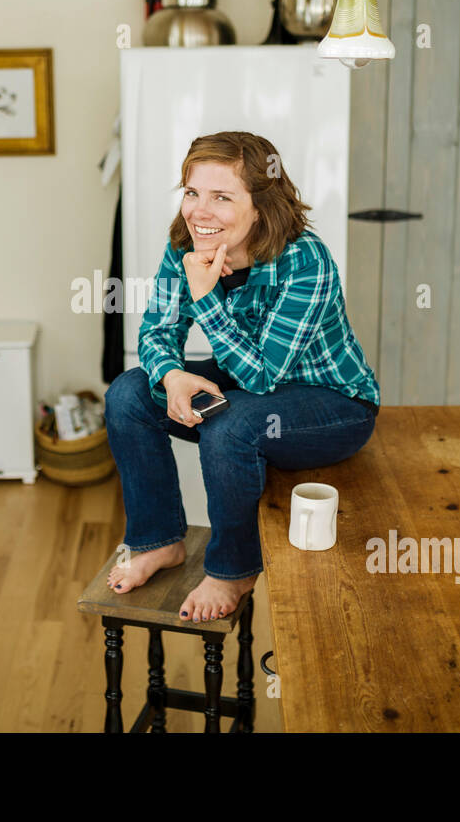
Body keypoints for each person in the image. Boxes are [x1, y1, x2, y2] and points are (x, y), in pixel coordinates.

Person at [104, 131, 379, 623]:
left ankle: (233, 568)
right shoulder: (186, 245)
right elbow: (157, 330)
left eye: (222, 197)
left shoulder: (304, 260)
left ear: (261, 204)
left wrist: (206, 296)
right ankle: (158, 540)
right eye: (192, 193)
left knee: (234, 424)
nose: (199, 212)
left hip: (333, 405)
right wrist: (170, 376)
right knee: (128, 392)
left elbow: (262, 377)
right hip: (249, 383)